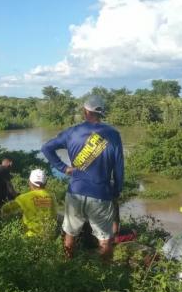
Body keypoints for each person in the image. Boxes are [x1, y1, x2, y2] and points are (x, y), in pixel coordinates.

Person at [41, 94, 124, 260]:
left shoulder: (72, 132)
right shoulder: (113, 135)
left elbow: (46, 148)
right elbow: (119, 168)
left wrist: (64, 168)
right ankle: (104, 277)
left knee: (70, 233)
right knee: (105, 239)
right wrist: (116, 191)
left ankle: (67, 265)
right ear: (101, 113)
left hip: (75, 192)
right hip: (101, 194)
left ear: (85, 112)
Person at [1, 169, 57, 238]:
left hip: (31, 237)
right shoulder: (52, 196)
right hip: (50, 236)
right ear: (45, 183)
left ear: (30, 182)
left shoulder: (23, 198)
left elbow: (5, 209)